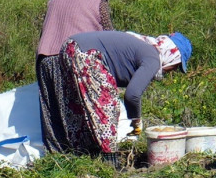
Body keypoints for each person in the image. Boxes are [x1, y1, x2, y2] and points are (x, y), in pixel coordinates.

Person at [57, 30, 192, 165]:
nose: (171, 71)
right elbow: (132, 95)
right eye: (176, 66)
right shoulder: (153, 58)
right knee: (108, 106)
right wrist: (136, 125)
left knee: (78, 107)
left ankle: (79, 156)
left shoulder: (146, 49)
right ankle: (110, 162)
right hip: (87, 53)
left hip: (70, 47)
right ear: (172, 56)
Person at [36, 0, 115, 153]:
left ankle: (56, 158)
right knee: (84, 109)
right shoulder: (98, 1)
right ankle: (86, 157)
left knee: (54, 112)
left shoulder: (54, 0)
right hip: (74, 58)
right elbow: (110, 36)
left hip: (46, 59)